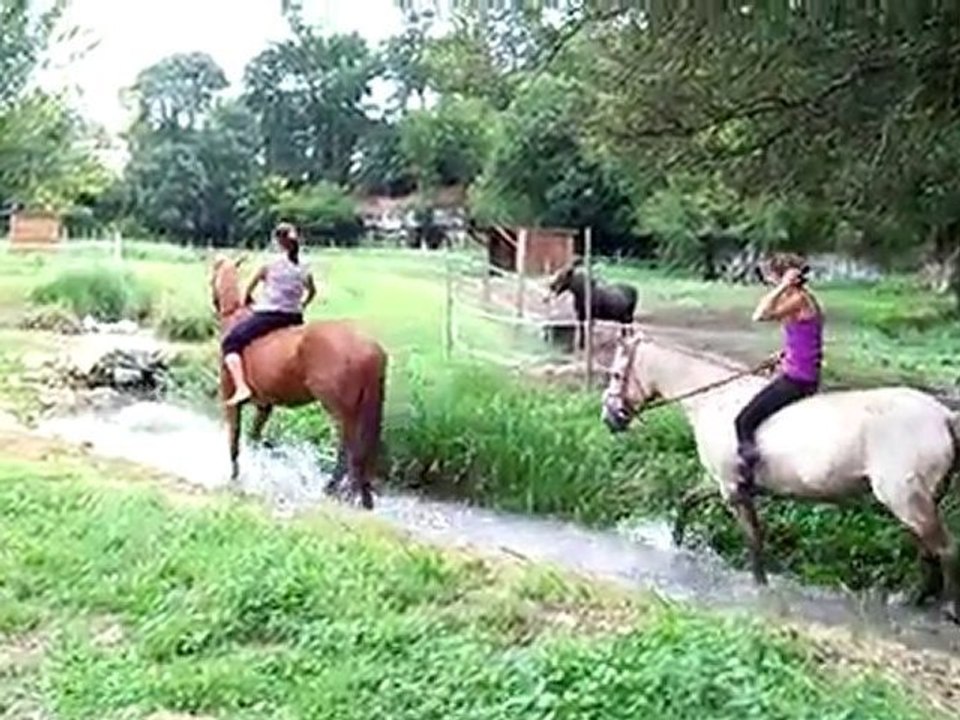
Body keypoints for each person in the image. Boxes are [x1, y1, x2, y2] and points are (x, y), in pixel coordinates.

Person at [733, 252, 824, 501]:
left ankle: (748, 479)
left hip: (798, 379)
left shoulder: (797, 299)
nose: (769, 281)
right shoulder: (799, 299)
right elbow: (804, 337)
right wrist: (783, 355)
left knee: (743, 420)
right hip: (799, 369)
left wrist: (783, 285)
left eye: (771, 277)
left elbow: (759, 315)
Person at [221, 222, 317, 406]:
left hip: (269, 316)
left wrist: (247, 301)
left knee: (231, 342)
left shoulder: (269, 263)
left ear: (277, 241)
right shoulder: (305, 266)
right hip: (294, 317)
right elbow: (312, 292)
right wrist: (301, 305)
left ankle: (241, 387)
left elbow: (247, 291)